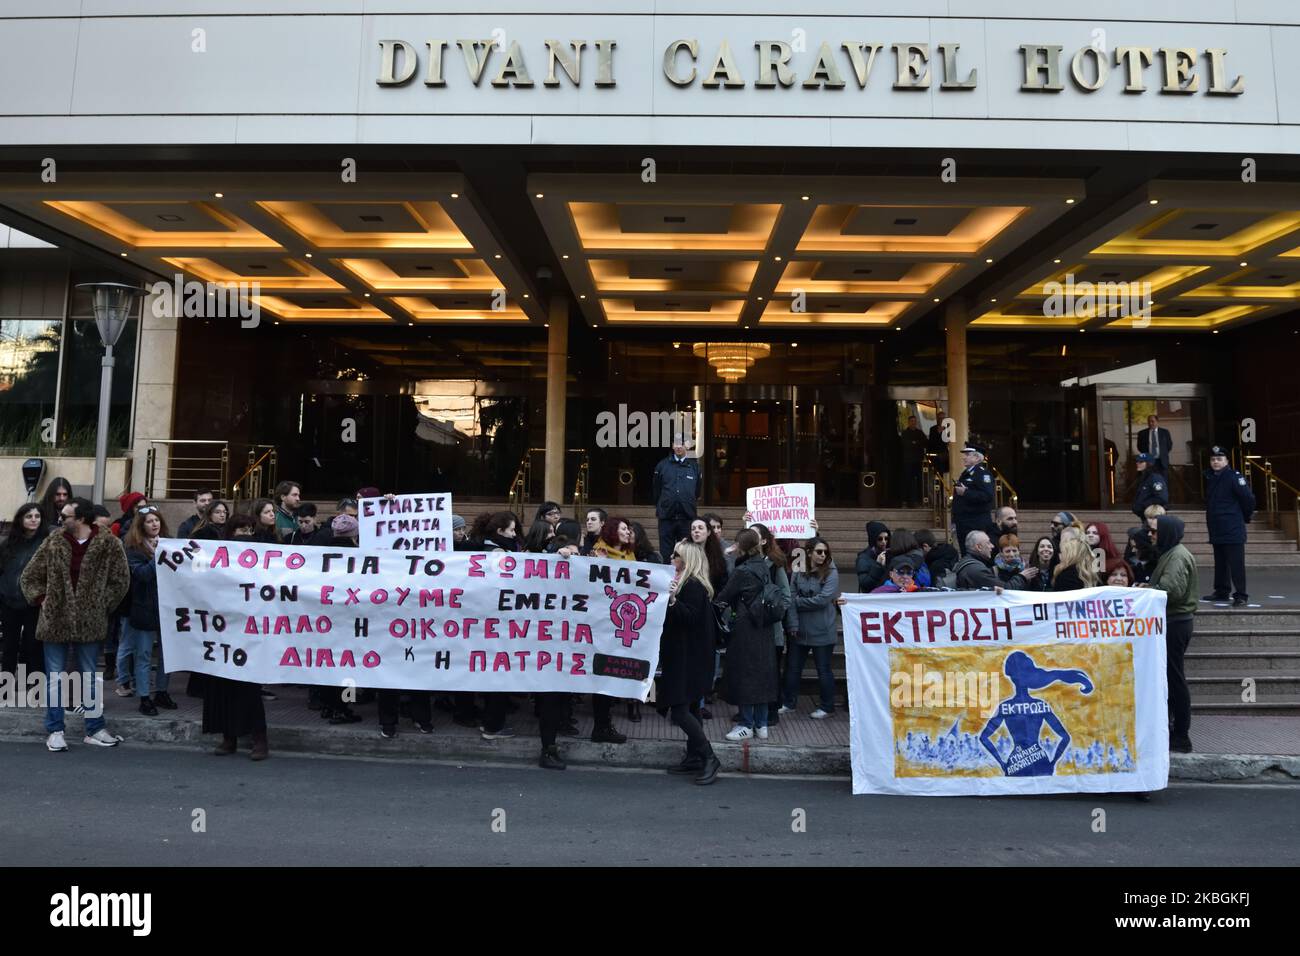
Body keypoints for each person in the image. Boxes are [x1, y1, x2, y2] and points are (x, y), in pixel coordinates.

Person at [20, 497, 130, 752]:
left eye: (66, 515)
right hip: (55, 619)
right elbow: (30, 575)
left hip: (90, 621)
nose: (60, 519)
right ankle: (56, 730)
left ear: (81, 519)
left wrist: (102, 604)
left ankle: (94, 728)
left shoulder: (109, 544)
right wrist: (42, 599)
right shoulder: (54, 541)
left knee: (90, 677)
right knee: (55, 678)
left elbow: (120, 579)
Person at [660, 540, 721, 784]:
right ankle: (694, 757)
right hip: (687, 655)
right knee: (692, 708)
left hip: (690, 658)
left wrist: (673, 601)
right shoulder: (687, 583)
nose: (671, 557)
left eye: (675, 555)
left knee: (680, 709)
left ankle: (709, 756)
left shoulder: (693, 586)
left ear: (686, 560)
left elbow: (690, 618)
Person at [715, 529, 778, 741]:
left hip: (745, 627)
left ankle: (746, 724)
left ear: (740, 545)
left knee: (745, 675)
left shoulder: (743, 570)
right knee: (761, 674)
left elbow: (724, 596)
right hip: (764, 627)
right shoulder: (763, 565)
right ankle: (761, 725)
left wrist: (727, 557)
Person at [1143, 514, 1198, 752]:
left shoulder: (1176, 556)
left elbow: (1171, 590)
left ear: (1166, 533)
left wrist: (1148, 590)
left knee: (1174, 677)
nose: (1150, 535)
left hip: (1176, 622)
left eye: (1154, 531)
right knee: (1171, 675)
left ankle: (1181, 734)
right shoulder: (1171, 553)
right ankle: (1175, 728)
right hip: (1175, 621)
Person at [122, 506, 176, 714]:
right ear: (141, 525)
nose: (154, 524)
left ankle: (161, 691)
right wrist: (158, 556)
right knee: (144, 654)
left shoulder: (171, 543)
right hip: (144, 608)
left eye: (157, 520)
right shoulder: (134, 549)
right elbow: (142, 575)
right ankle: (144, 696)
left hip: (168, 607)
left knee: (167, 654)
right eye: (149, 521)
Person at [782, 536, 839, 718]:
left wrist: (798, 602)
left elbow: (823, 600)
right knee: (792, 668)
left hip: (822, 629)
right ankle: (788, 703)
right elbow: (790, 595)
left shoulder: (831, 571)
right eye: (819, 552)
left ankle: (827, 706)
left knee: (823, 669)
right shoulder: (799, 568)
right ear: (809, 552)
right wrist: (792, 622)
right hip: (799, 629)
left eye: (825, 552)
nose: (823, 555)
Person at [749, 523, 798, 726]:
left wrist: (771, 615)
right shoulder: (744, 562)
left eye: (754, 534)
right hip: (750, 628)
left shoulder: (775, 564)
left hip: (771, 629)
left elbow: (786, 597)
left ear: (763, 540)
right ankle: (750, 709)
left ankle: (771, 711)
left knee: (770, 671)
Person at [1203, 444, 1255, 607]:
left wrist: (1245, 517)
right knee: (1220, 562)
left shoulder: (1233, 477)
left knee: (1235, 564)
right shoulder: (1211, 477)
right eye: (1213, 459)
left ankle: (1240, 594)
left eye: (1219, 459)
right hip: (1217, 527)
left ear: (1226, 461)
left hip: (1232, 527)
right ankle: (1221, 591)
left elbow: (1248, 499)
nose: (1216, 462)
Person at [0, 503, 49, 677]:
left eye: (37, 516)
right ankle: (6, 684)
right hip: (9, 602)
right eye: (29, 516)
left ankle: (35, 683)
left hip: (33, 603)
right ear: (21, 519)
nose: (34, 520)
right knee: (9, 645)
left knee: (33, 645)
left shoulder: (46, 543)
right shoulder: (8, 544)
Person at [653, 437, 701, 558]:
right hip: (666, 517)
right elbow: (656, 489)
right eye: (676, 443)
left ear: (688, 446)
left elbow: (697, 491)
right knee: (666, 553)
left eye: (682, 444)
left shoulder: (695, 467)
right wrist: (663, 504)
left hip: (687, 517)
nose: (679, 446)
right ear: (672, 445)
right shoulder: (662, 465)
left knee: (686, 553)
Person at [951, 443, 995, 555]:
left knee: (975, 553)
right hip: (964, 522)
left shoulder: (982, 474)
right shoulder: (966, 473)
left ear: (976, 457)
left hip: (976, 523)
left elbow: (987, 496)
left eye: (967, 454)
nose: (964, 457)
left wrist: (966, 492)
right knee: (965, 553)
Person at [953, 531, 1032, 590]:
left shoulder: (973, 565)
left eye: (1014, 551)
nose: (992, 546)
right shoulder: (976, 570)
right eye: (988, 543)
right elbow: (1005, 590)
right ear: (979, 547)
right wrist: (1022, 577)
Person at [689, 518, 729, 593]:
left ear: (708, 532)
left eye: (700, 528)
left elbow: (722, 584)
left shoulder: (717, 558)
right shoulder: (685, 556)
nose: (696, 531)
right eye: (693, 529)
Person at [900, 414, 928, 507]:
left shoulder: (920, 433)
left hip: (918, 460)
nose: (913, 423)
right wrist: (916, 443)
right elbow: (906, 444)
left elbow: (925, 442)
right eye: (912, 421)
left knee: (919, 481)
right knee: (907, 480)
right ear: (908, 422)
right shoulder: (905, 433)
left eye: (915, 421)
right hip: (908, 461)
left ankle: (918, 501)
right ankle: (905, 500)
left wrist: (915, 443)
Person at [855, 521, 891, 592]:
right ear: (873, 539)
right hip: (872, 598)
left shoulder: (889, 553)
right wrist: (878, 565)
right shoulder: (863, 558)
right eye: (880, 539)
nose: (884, 542)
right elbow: (864, 584)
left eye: (886, 538)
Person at [1132, 453, 1168, 520]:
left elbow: (1161, 498)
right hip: (1146, 516)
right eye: (1137, 461)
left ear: (1149, 464)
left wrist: (1143, 505)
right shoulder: (1144, 478)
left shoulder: (1155, 478)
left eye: (1141, 462)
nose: (1137, 463)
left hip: (1154, 517)